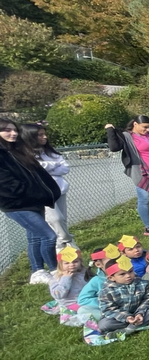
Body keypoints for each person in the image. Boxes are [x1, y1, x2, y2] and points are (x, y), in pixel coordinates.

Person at [0, 118, 61, 284]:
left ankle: (37, 272)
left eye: (15, 130)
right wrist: (31, 193)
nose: (12, 133)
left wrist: (45, 192)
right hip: (17, 205)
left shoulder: (18, 150)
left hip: (33, 201)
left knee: (35, 237)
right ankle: (56, 271)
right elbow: (6, 184)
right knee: (49, 235)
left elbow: (38, 174)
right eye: (7, 130)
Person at [105, 116, 149, 236]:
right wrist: (110, 130)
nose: (147, 130)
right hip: (142, 172)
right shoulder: (127, 136)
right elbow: (114, 147)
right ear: (135, 124)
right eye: (144, 127)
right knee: (145, 199)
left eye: (148, 127)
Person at [21, 122, 74, 249]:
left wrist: (46, 167)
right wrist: (54, 165)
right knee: (56, 219)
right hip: (44, 194)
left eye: (44, 134)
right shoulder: (24, 154)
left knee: (62, 221)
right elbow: (35, 168)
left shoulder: (48, 151)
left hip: (60, 190)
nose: (45, 137)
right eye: (40, 135)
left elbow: (65, 168)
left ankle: (62, 248)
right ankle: (67, 242)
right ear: (30, 136)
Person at [98, 256, 149, 333]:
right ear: (111, 278)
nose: (128, 275)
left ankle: (134, 325)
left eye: (130, 271)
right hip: (120, 318)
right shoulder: (106, 291)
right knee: (104, 324)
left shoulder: (142, 283)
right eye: (122, 274)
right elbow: (108, 309)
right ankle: (137, 325)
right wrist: (127, 317)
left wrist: (140, 313)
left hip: (140, 313)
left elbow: (147, 299)